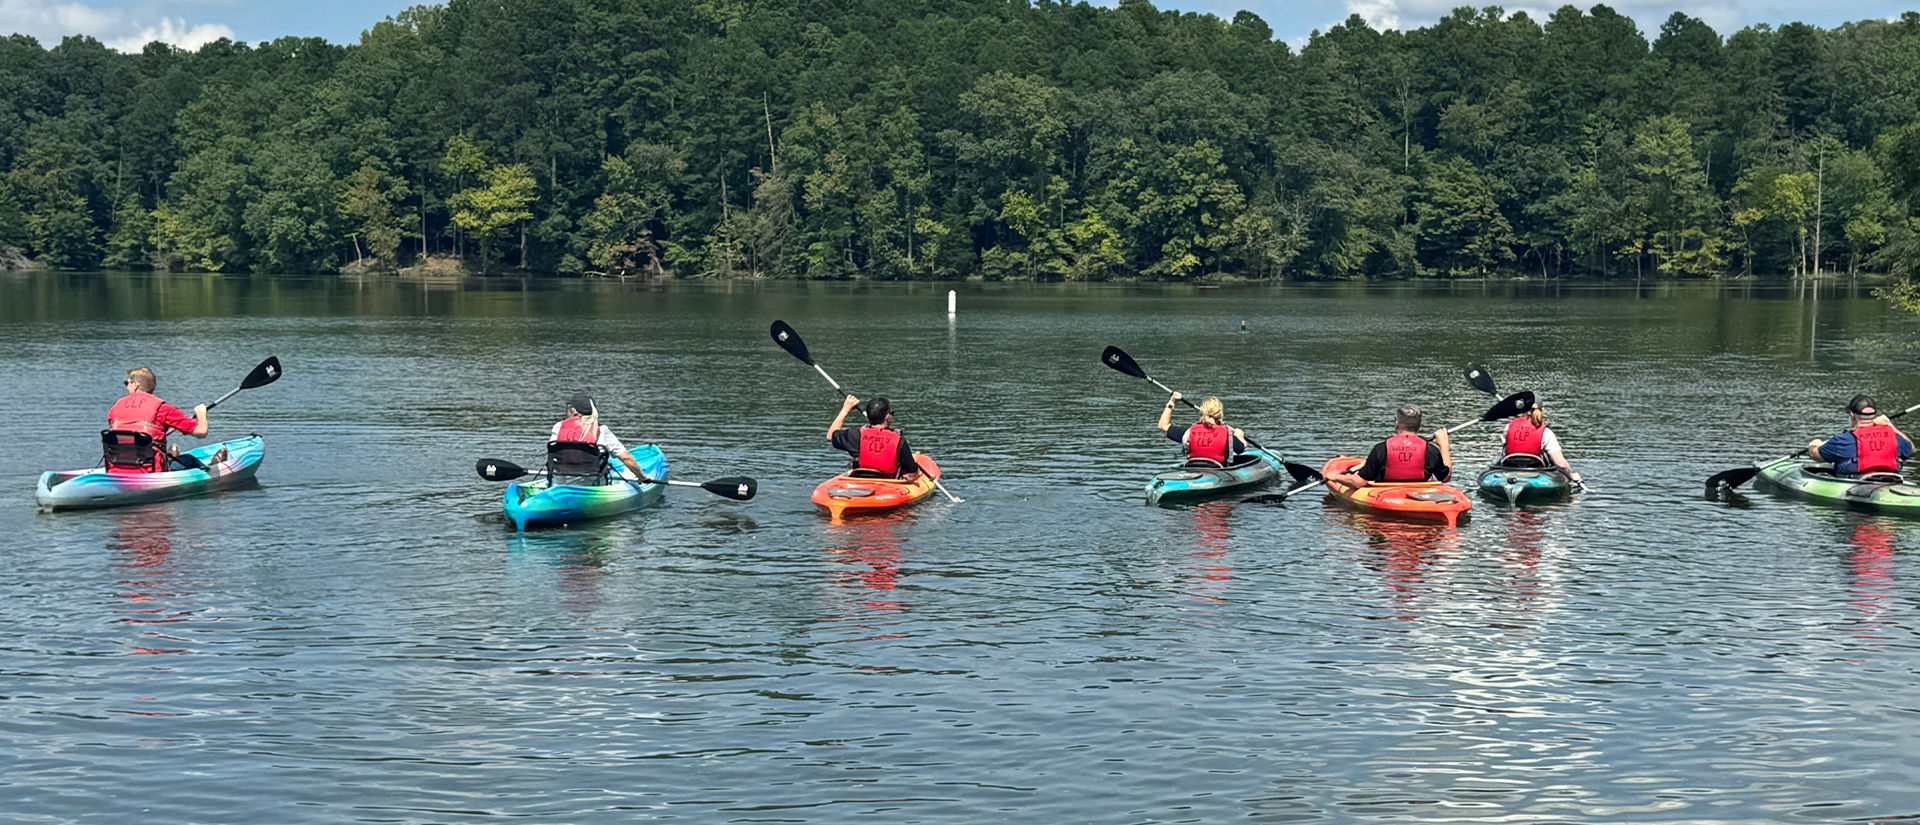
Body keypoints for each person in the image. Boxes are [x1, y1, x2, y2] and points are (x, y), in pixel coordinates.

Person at [104, 366, 218, 474]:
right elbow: (201, 431)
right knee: (189, 459)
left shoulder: (114, 408)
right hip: (150, 471)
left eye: (127, 383)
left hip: (116, 468)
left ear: (136, 385)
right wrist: (201, 414)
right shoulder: (162, 409)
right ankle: (212, 468)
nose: (126, 386)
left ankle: (169, 456)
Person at [1327, 404, 1451, 491]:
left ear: (1397, 424)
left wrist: (1335, 477)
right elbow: (1445, 478)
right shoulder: (1431, 450)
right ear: (1419, 425)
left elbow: (1359, 482)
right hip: (1419, 491)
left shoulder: (1381, 449)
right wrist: (1444, 445)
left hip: (1385, 491)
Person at [1808, 394, 1914, 476]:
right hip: (1890, 480)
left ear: (1852, 416)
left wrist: (1815, 445)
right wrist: (1891, 426)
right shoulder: (1893, 436)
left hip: (1855, 483)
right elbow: (1912, 449)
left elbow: (1817, 456)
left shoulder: (1843, 440)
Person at [550, 394, 648, 481]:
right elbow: (626, 458)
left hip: (559, 481)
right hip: (592, 484)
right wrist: (642, 477)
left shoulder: (558, 427)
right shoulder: (602, 430)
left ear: (574, 412)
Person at [829, 395, 920, 477]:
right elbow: (911, 470)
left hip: (861, 481)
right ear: (887, 416)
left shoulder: (856, 435)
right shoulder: (899, 440)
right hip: (888, 484)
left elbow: (830, 436)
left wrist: (845, 410)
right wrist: (914, 459)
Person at [1156, 392, 1246, 466]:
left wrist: (1171, 402)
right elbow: (1241, 449)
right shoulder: (1227, 434)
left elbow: (1162, 425)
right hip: (1217, 471)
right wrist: (1239, 435)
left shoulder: (1189, 432)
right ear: (1219, 414)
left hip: (1192, 469)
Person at [1500, 403, 1581, 484]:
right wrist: (1572, 476)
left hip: (1511, 468)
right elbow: (1561, 464)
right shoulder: (1546, 432)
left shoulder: (1508, 427)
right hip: (1536, 470)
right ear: (1541, 410)